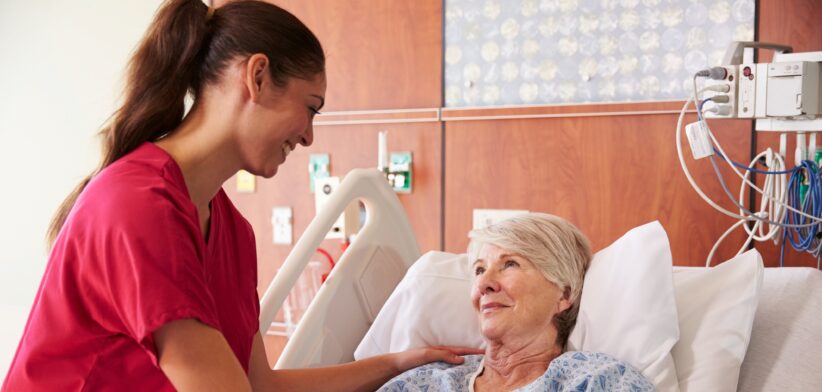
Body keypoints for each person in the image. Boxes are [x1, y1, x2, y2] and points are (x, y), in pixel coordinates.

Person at [2, 1, 477, 390]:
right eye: (310, 109)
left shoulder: (232, 232)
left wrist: (397, 363)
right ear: (257, 76)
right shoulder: (137, 206)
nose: (310, 137)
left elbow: (258, 385)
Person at [378, 213, 655, 391]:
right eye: (478, 270)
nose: (484, 283)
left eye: (510, 264)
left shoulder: (599, 381)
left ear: (564, 295)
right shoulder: (424, 383)